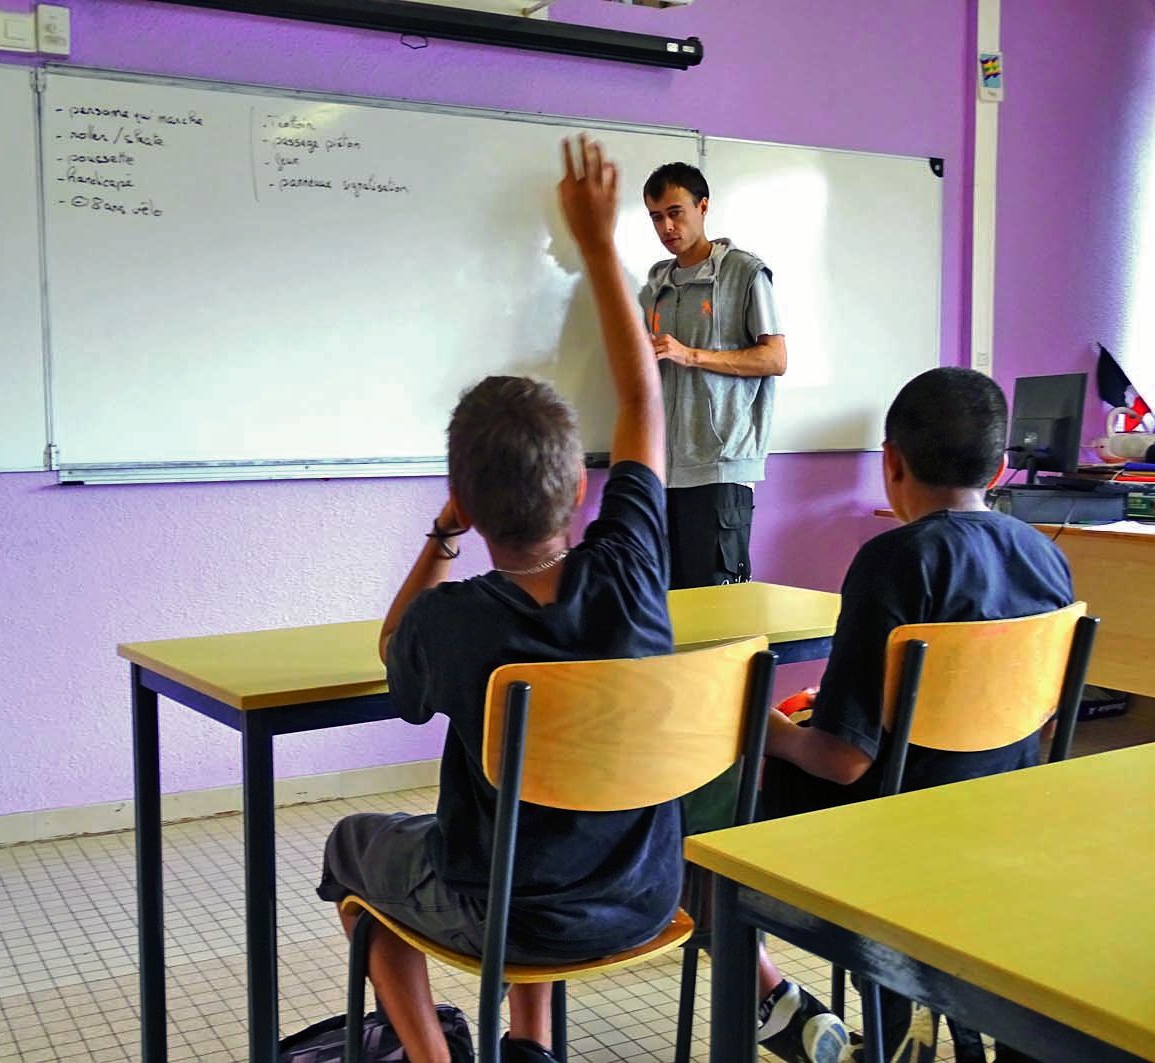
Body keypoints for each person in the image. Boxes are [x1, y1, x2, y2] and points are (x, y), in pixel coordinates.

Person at [313, 136, 678, 1063]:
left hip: (505, 913)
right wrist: (599, 245)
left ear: (468, 503)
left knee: (357, 847)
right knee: (548, 820)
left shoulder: (453, 618)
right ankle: (529, 1046)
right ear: (582, 492)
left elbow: (393, 648)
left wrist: (441, 534)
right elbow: (643, 403)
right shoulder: (633, 561)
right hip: (642, 893)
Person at [762, 366, 1075, 1063]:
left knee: (727, 775)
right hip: (1001, 819)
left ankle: (763, 988)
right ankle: (913, 1017)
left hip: (894, 834)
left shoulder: (892, 560)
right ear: (998, 467)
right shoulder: (1045, 557)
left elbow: (842, 759)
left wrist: (770, 729)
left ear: (890, 462)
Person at [639, 161, 787, 591]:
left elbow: (774, 358)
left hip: (721, 467)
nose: (666, 226)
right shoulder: (657, 282)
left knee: (720, 612)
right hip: (667, 467)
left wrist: (692, 356)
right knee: (667, 607)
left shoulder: (743, 272)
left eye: (675, 212)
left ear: (703, 207)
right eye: (655, 217)